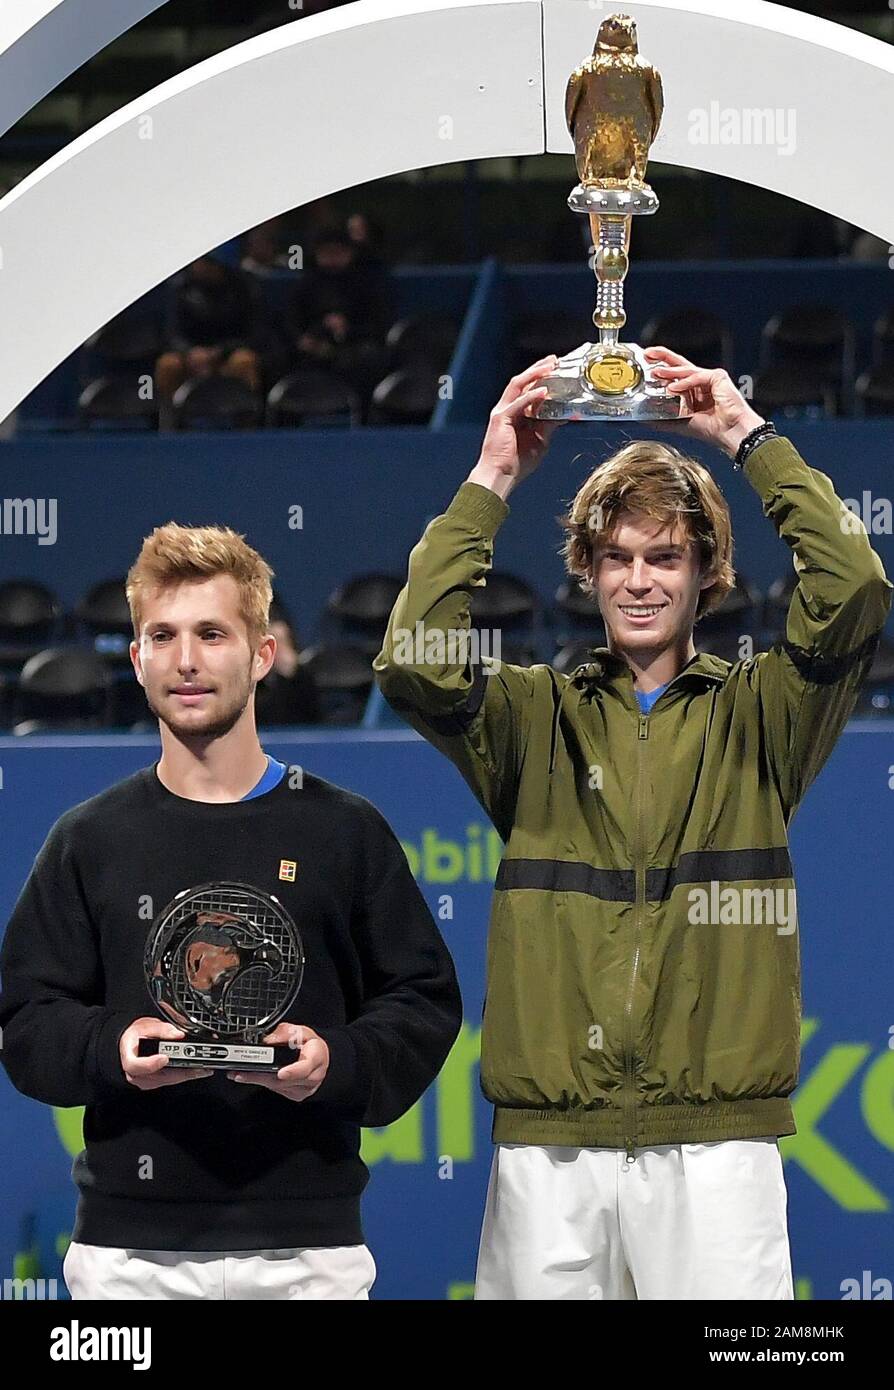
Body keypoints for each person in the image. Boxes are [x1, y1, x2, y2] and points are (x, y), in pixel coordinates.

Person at [373, 347, 892, 1300]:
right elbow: (415, 659)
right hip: (553, 1153)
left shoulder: (764, 716)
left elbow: (854, 589)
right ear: (588, 571)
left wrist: (746, 437)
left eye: (665, 557)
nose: (640, 580)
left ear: (707, 573)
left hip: (718, 1149)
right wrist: (493, 479)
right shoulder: (535, 719)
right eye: (617, 557)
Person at [0, 523, 461, 1300]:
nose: (187, 660)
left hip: (307, 1252)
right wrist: (112, 1045)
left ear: (262, 654)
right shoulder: (89, 839)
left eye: (213, 633)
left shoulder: (343, 829)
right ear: (137, 658)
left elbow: (421, 1001)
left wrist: (334, 1064)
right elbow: (24, 1020)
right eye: (163, 635)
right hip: (129, 1260)